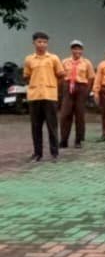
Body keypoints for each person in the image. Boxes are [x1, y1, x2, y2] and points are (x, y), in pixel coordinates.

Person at [23, 32, 64, 162]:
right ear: (34, 43)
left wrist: (53, 86)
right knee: (35, 126)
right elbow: (27, 76)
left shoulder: (53, 58)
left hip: (49, 96)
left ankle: (54, 153)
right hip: (35, 96)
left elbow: (61, 75)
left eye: (45, 42)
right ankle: (37, 153)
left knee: (52, 126)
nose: (42, 44)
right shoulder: (29, 59)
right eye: (39, 42)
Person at [58, 39, 93, 150]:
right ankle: (64, 139)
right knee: (65, 115)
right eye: (74, 48)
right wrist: (61, 90)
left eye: (79, 48)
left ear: (82, 50)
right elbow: (60, 77)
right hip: (68, 87)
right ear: (71, 50)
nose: (76, 51)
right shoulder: (64, 62)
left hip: (81, 87)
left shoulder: (86, 63)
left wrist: (87, 91)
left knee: (80, 115)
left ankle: (78, 140)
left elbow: (91, 77)